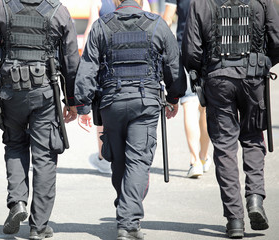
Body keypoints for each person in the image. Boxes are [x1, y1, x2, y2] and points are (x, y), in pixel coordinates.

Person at [75, 0, 186, 239]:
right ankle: (128, 221)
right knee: (137, 161)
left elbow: (88, 67)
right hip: (144, 103)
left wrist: (83, 106)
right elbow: (173, 65)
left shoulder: (101, 26)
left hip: (111, 103)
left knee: (118, 160)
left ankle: (125, 207)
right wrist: (174, 97)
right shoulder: (157, 25)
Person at [0, 0, 80, 239]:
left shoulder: (2, 8)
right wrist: (72, 100)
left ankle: (17, 203)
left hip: (11, 91)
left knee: (15, 145)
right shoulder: (58, 11)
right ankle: (39, 226)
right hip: (45, 93)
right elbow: (72, 59)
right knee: (44, 156)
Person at [182, 0, 279, 238]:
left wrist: (201, 73)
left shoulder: (200, 3)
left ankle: (235, 220)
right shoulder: (262, 1)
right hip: (253, 78)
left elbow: (191, 51)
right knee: (254, 137)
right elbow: (276, 39)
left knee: (224, 148)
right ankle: (255, 199)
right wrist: (264, 63)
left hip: (218, 78)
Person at [83, 0, 151, 174]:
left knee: (103, 115)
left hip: (108, 73)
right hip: (140, 76)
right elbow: (151, 26)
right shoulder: (141, 2)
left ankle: (104, 157)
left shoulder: (100, 3)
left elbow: (89, 33)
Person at [162, 0, 212, 178]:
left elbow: (167, 18)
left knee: (189, 104)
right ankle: (204, 156)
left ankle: (194, 161)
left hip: (186, 49)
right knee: (205, 106)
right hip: (209, 50)